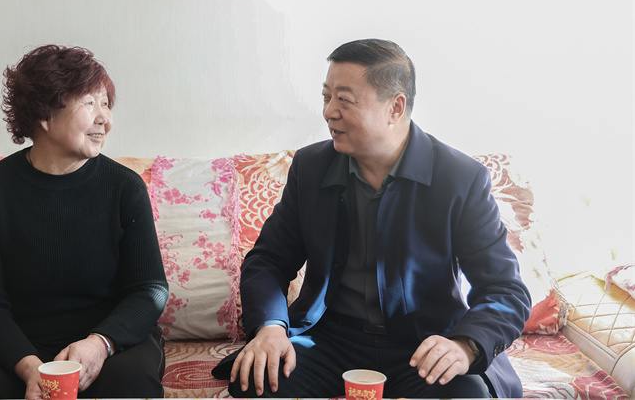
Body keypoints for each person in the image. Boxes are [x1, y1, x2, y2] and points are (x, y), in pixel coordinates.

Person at [212, 39, 531, 398]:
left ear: (395, 107)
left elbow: (505, 290)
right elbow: (269, 260)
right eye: (326, 97)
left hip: (424, 343)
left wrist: (464, 346)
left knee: (469, 395)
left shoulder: (460, 179)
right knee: (255, 382)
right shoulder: (311, 167)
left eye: (344, 100)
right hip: (331, 340)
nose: (329, 112)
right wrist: (270, 328)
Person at [0, 45, 169, 399]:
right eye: (89, 103)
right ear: (44, 114)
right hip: (23, 346)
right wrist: (29, 367)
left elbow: (149, 288)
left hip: (112, 343)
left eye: (106, 103)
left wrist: (99, 344)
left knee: (129, 387)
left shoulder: (125, 187)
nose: (105, 119)